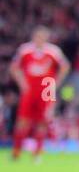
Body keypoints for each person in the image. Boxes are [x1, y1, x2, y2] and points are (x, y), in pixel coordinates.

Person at [9, 27, 70, 162]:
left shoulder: (53, 51)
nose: (40, 39)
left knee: (43, 121)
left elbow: (65, 66)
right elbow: (14, 67)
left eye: (43, 37)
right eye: (38, 36)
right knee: (23, 120)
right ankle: (16, 152)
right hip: (30, 89)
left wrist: (56, 83)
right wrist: (22, 83)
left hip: (46, 89)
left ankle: (37, 154)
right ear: (33, 37)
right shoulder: (25, 50)